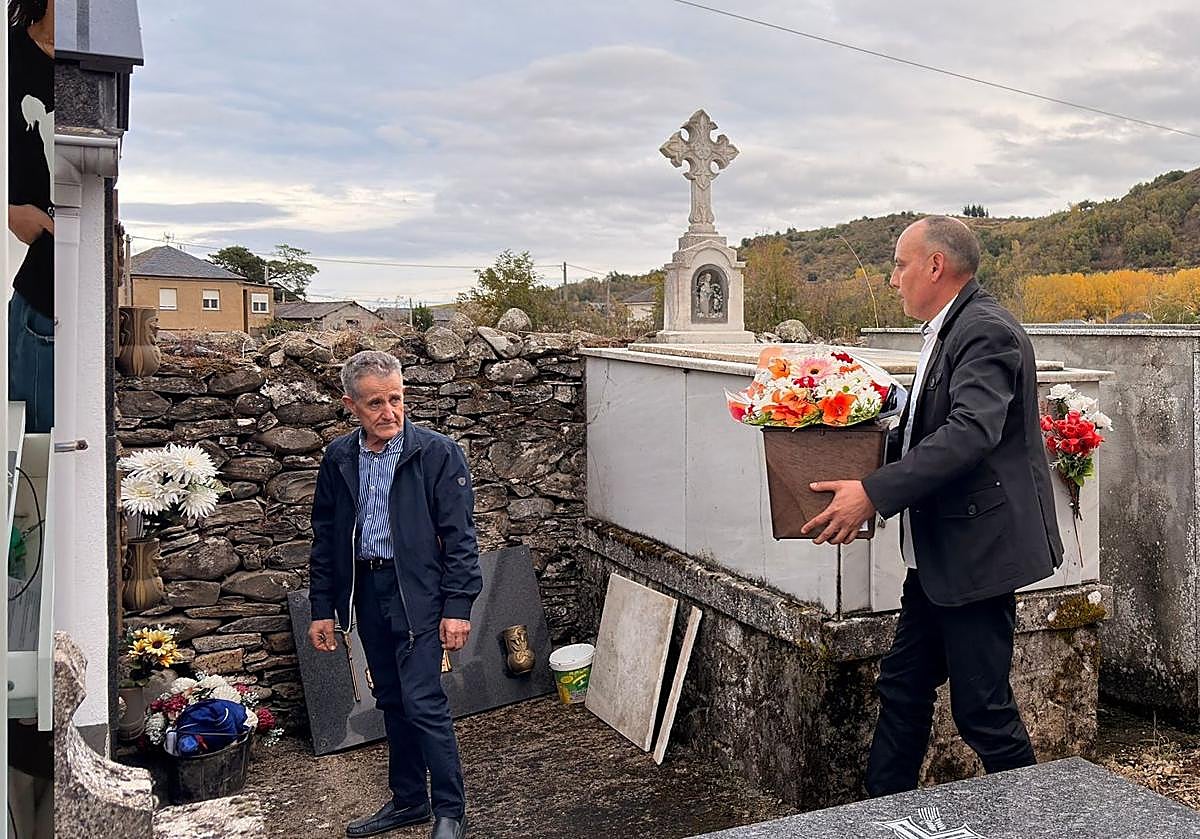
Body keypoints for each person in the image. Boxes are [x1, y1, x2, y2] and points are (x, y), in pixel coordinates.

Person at [801, 216, 1063, 795]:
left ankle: (1037, 817)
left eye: (900, 265)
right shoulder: (949, 328)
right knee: (903, 686)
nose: (893, 278)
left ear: (936, 265)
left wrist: (873, 492)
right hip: (940, 557)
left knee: (982, 712)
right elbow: (929, 423)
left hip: (977, 556)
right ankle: (880, 817)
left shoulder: (984, 330)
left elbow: (970, 432)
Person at [309, 350, 481, 839]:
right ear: (350, 405)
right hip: (368, 591)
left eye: (396, 399)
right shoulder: (339, 458)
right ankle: (409, 801)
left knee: (423, 699)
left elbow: (461, 537)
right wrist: (323, 608)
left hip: (419, 593)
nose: (389, 412)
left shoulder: (436, 453)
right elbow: (326, 538)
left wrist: (457, 606)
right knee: (391, 699)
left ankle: (450, 811)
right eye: (375, 403)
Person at [8, 0, 55, 433]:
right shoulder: (9, 57)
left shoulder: (96, 63)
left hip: (73, 298)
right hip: (40, 300)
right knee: (32, 448)